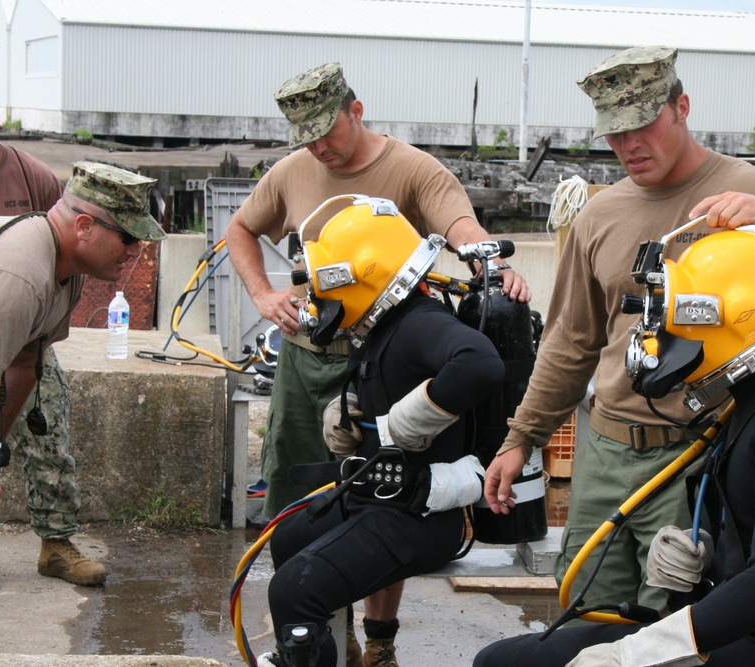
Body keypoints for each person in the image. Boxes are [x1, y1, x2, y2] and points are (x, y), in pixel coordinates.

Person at [483, 45, 755, 618]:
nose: (629, 147)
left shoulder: (752, 191)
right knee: (583, 614)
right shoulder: (598, 216)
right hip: (606, 456)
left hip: (702, 459)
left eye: (643, 125)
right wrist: (522, 438)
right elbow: (570, 342)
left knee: (672, 629)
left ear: (681, 107)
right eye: (614, 135)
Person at [225, 62, 528, 667]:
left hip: (389, 356)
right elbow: (240, 227)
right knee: (302, 494)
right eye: (305, 138)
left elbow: (459, 223)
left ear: (356, 111)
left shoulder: (413, 168)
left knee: (386, 495)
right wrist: (262, 294)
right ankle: (322, 631)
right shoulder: (291, 172)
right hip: (309, 359)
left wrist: (490, 266)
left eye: (327, 132)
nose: (319, 147)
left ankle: (379, 641)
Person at [476, 224, 755, 667]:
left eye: (677, 315)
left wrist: (637, 654)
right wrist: (703, 554)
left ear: (732, 312)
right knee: (501, 660)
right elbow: (753, 533)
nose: (660, 333)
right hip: (738, 632)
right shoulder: (751, 401)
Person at [260, 198, 505, 667]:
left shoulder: (420, 321)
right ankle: (332, 648)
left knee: (296, 591)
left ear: (364, 275)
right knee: (290, 539)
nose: (320, 299)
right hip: (378, 496)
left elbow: (480, 364)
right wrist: (353, 413)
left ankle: (313, 646)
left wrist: (420, 414)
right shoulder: (381, 326)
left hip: (421, 517)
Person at [0, 100, 114, 587]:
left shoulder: (33, 176)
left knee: (49, 425)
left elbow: (64, 247)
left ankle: (56, 544)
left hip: (23, 328)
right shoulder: (13, 270)